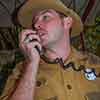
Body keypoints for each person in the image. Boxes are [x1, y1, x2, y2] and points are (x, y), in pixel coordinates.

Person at [0, 0, 100, 100]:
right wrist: (31, 63)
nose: (36, 25)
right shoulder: (21, 71)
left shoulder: (95, 64)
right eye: (34, 21)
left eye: (45, 17)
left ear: (67, 22)